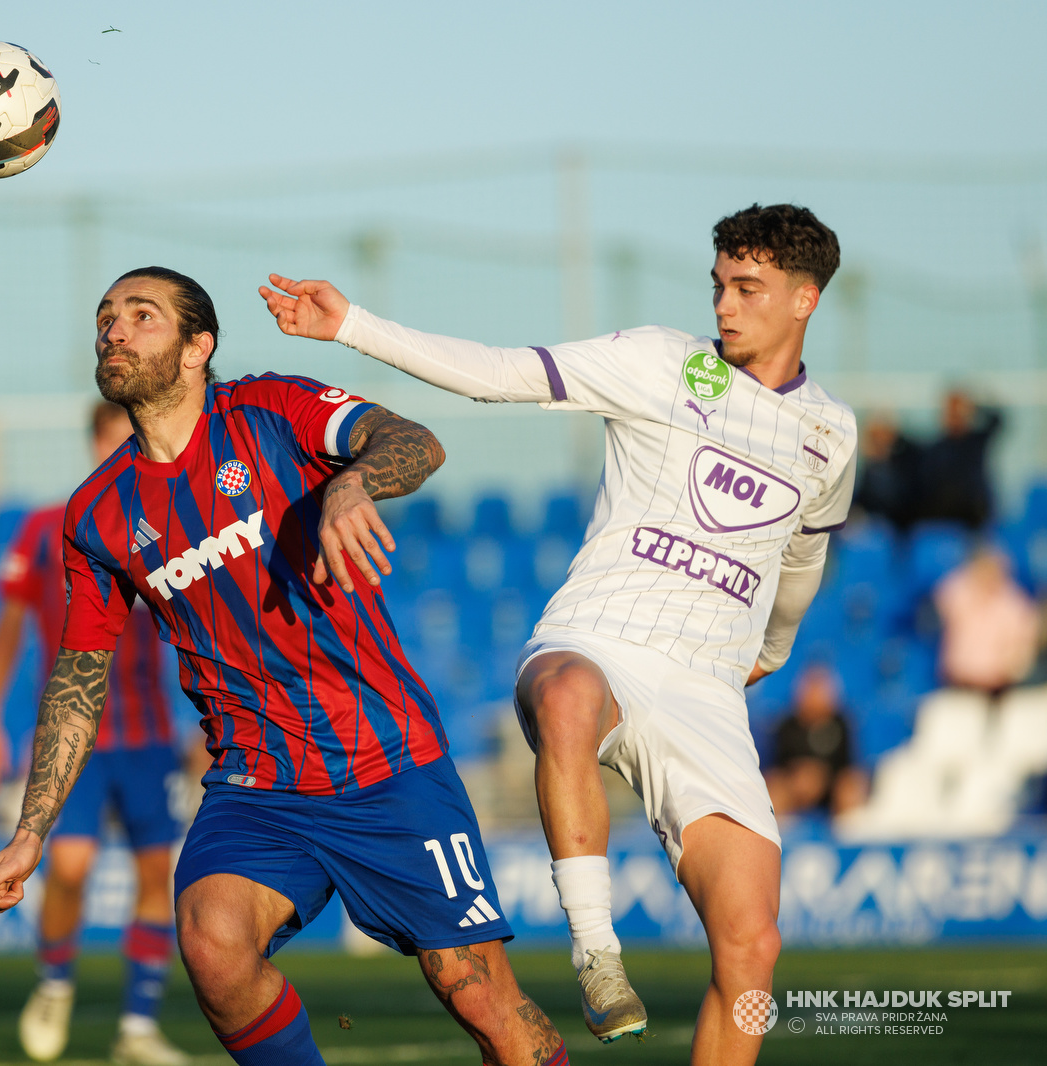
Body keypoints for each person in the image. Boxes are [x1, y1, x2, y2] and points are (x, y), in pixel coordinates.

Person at [260, 203, 857, 1065]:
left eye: (749, 288)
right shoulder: (662, 362)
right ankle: (596, 952)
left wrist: (777, 644)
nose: (725, 305)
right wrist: (353, 324)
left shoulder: (830, 433)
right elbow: (497, 373)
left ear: (804, 300)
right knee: (569, 695)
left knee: (752, 953)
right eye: (719, 283)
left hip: (707, 690)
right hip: (599, 637)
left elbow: (802, 554)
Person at [0, 267, 567, 1066]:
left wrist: (349, 486)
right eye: (105, 317)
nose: (114, 330)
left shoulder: (269, 410)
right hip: (258, 782)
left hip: (384, 761)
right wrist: (31, 829)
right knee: (212, 942)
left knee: (478, 994)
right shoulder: (97, 515)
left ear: (198, 348)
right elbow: (79, 677)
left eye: (141, 316)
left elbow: (414, 442)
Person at [0, 401, 189, 1066]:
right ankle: (55, 982)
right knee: (69, 868)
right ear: (96, 441)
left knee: (159, 872)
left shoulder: (170, 524)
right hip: (73, 738)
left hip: (149, 736)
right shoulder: (44, 529)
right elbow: (6, 631)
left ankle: (138, 1028)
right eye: (120, 437)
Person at [764, 665, 868, 817]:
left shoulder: (842, 724)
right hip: (795, 786)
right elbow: (777, 766)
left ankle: (848, 832)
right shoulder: (787, 726)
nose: (814, 697)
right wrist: (799, 776)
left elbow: (849, 765)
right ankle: (779, 830)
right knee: (775, 787)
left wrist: (822, 776)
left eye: (820, 691)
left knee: (851, 786)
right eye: (810, 690)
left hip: (831, 787)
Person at [934, 545, 1038, 695]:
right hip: (958, 682)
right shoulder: (959, 594)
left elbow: (1021, 651)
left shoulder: (1014, 605)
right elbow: (942, 595)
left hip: (999, 687)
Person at [916, 390, 1003, 529]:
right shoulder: (936, 448)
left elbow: (998, 419)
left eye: (958, 413)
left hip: (975, 513)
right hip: (944, 514)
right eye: (951, 413)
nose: (954, 418)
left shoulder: (977, 441)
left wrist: (973, 406)